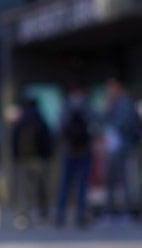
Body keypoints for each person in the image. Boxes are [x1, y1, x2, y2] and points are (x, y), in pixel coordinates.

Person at [7, 97, 54, 230]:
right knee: (40, 188)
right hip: (38, 160)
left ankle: (23, 217)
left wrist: (16, 157)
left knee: (24, 190)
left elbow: (14, 139)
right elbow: (47, 139)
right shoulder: (40, 118)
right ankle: (42, 214)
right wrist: (46, 156)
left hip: (23, 160)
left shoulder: (21, 120)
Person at [53, 85, 95, 229]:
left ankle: (60, 215)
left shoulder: (65, 107)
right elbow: (96, 125)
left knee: (65, 184)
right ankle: (80, 215)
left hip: (70, 150)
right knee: (82, 185)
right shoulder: (88, 106)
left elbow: (60, 128)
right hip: (84, 150)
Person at [101, 78, 142, 222]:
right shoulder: (113, 103)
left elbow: (123, 123)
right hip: (113, 147)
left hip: (123, 146)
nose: (109, 92)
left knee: (125, 181)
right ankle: (111, 212)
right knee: (110, 180)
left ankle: (128, 211)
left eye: (111, 88)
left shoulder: (126, 103)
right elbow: (103, 120)